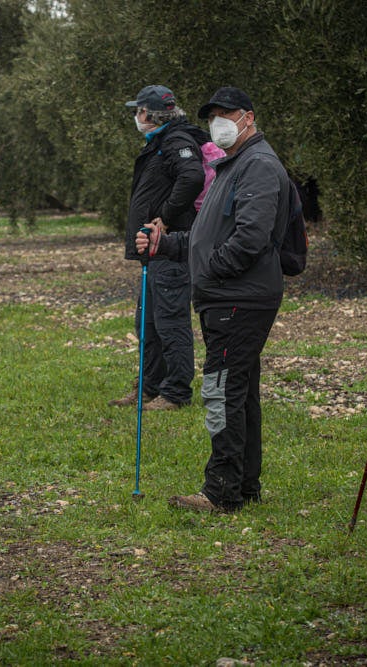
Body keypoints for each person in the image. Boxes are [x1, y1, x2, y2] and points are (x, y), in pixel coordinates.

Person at [136, 86, 294, 512]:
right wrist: (164, 244)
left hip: (238, 297)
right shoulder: (233, 165)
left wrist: (209, 271)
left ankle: (221, 490)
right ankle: (243, 485)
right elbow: (208, 237)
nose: (218, 122)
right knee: (239, 391)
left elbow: (249, 239)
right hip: (233, 294)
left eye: (227, 113)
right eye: (212, 115)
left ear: (249, 117)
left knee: (222, 390)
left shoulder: (257, 166)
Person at [108, 85, 207, 411]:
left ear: (147, 114)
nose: (135, 116)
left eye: (137, 110)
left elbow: (191, 177)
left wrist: (163, 218)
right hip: (154, 251)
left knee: (170, 321)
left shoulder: (176, 141)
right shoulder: (160, 143)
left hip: (170, 247)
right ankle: (149, 387)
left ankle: (176, 393)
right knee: (147, 322)